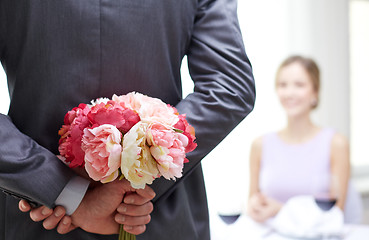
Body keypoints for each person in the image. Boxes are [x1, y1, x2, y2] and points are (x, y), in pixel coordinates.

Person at [0, 0, 256, 240]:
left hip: (41, 216)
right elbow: (230, 87)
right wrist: (143, 170)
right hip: (157, 216)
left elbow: (230, 87)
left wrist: (60, 189)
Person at [247, 55, 358, 224]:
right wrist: (254, 206)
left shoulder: (336, 144)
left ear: (315, 91)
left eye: (299, 85)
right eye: (283, 85)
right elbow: (252, 206)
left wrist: (281, 210)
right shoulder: (260, 145)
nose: (289, 93)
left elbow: (335, 216)